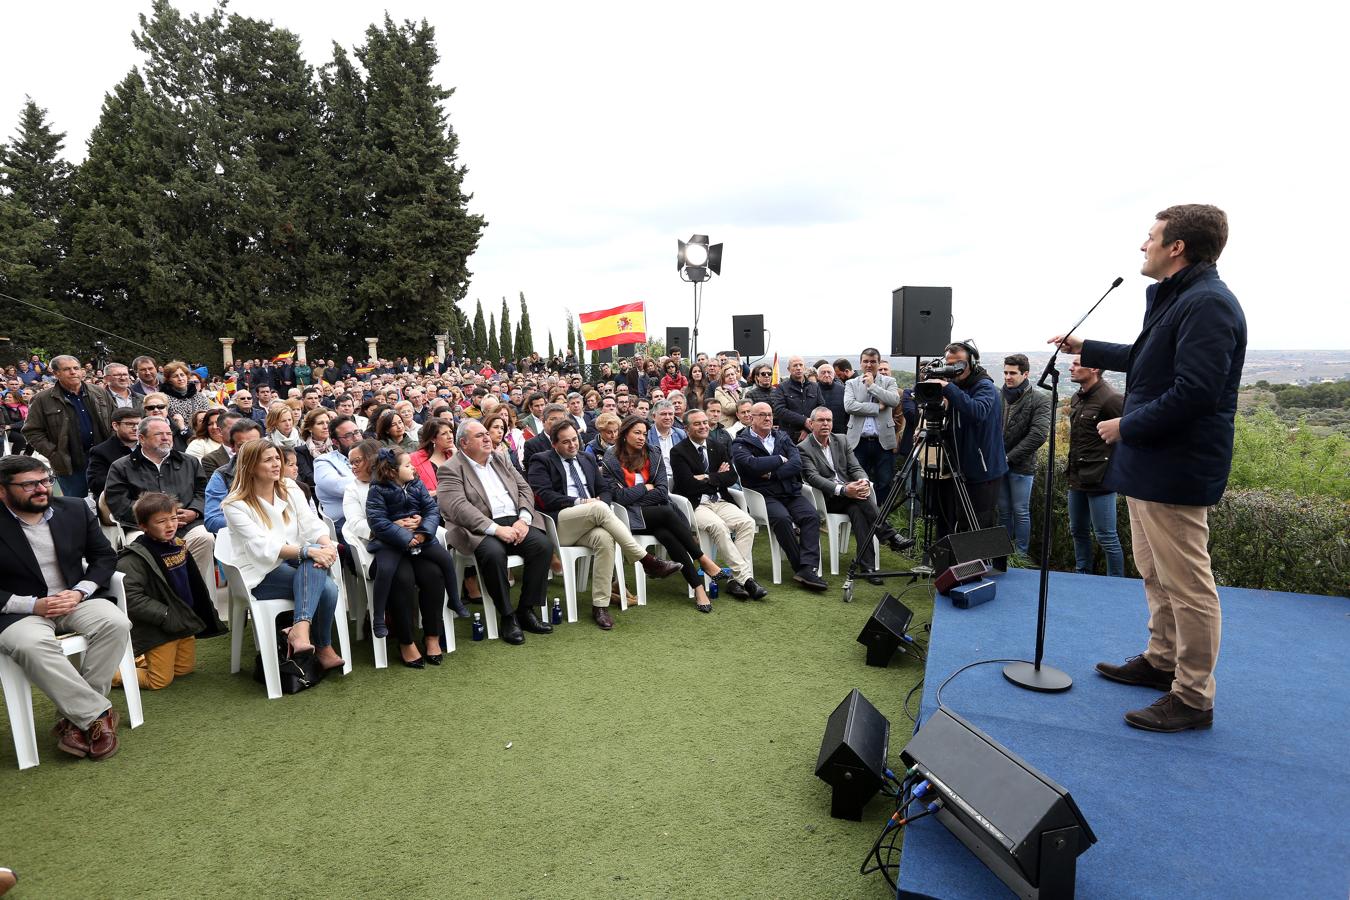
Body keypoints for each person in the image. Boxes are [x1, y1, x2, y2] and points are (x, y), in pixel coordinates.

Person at [1052, 204, 1245, 733]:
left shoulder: (1209, 304)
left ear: (1176, 246)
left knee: (1188, 585)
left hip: (1175, 467)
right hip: (1150, 466)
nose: (1144, 245)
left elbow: (1196, 393)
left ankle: (1193, 696)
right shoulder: (1177, 297)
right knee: (1155, 574)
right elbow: (1149, 359)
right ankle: (1163, 662)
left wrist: (1126, 427)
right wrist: (1087, 346)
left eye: (1151, 236)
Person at [0, 455, 129, 761]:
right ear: (2, 490)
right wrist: (33, 604)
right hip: (19, 610)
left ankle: (75, 720)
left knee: (116, 624)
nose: (41, 489)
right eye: (29, 484)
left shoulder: (73, 508)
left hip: (74, 598)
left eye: (45, 481)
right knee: (31, 645)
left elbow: (104, 558)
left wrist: (80, 591)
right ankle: (97, 715)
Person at [527, 420, 683, 629]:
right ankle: (647, 561)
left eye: (575, 439)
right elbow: (543, 495)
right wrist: (582, 502)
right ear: (554, 444)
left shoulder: (587, 458)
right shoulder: (541, 460)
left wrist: (601, 505)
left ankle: (600, 606)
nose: (573, 445)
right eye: (566, 442)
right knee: (599, 509)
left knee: (606, 539)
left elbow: (605, 490)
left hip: (591, 519)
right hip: (562, 523)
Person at [222, 440, 344, 670]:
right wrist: (308, 551)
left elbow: (311, 524)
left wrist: (326, 546)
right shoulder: (234, 504)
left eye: (277, 458)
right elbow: (262, 547)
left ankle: (300, 631)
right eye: (268, 460)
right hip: (257, 571)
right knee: (327, 587)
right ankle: (322, 646)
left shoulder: (288, 486)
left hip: (292, 561)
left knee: (314, 563)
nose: (276, 464)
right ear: (250, 466)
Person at [436, 420, 554, 645]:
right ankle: (507, 616)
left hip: (515, 521)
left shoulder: (500, 459)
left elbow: (524, 489)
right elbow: (458, 507)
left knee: (543, 546)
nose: (487, 437)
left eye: (486, 434)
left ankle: (526, 610)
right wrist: (496, 529)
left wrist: (524, 519)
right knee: (492, 554)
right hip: (479, 528)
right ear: (464, 443)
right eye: (479, 436)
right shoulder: (450, 468)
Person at [599, 416, 729, 613]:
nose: (642, 438)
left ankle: (698, 588)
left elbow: (661, 491)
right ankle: (703, 559)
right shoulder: (611, 458)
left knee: (667, 534)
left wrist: (636, 494)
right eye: (637, 433)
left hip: (656, 512)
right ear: (625, 435)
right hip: (628, 517)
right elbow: (619, 497)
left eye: (644, 433)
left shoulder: (653, 452)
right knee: (666, 512)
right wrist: (645, 488)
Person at [103, 417, 219, 614]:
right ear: (142, 438)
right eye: (159, 434)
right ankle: (164, 598)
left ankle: (190, 594)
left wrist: (194, 511)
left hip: (187, 524)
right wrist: (153, 519)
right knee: (141, 547)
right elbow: (118, 502)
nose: (166, 438)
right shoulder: (121, 466)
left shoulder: (189, 461)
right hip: (143, 528)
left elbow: (203, 492)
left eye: (168, 434)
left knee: (204, 537)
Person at [365, 448, 468, 664]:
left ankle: (433, 636)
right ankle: (406, 641)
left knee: (434, 574)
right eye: (407, 465)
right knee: (401, 579)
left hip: (419, 542)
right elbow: (376, 521)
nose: (413, 468)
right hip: (392, 545)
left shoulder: (415, 484)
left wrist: (422, 530)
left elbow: (432, 511)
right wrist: (402, 533)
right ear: (392, 471)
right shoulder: (376, 490)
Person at [114, 492, 225, 689]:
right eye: (161, 521)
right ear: (143, 526)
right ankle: (109, 674)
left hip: (181, 622)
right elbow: (131, 597)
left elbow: (194, 583)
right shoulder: (133, 559)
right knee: (159, 680)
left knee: (183, 669)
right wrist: (166, 615)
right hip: (159, 626)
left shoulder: (179, 545)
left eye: (173, 518)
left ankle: (142, 659)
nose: (170, 525)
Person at [799, 407, 910, 583]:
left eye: (829, 420)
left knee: (859, 509)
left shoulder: (841, 440)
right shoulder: (803, 448)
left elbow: (855, 467)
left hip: (849, 496)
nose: (826, 424)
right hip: (826, 499)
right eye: (821, 420)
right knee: (862, 500)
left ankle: (867, 568)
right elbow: (813, 478)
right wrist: (844, 490)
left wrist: (864, 482)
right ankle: (889, 536)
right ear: (811, 424)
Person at [670, 410, 766, 600]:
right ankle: (746, 579)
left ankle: (734, 581)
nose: (704, 426)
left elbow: (731, 477)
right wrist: (716, 477)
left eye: (705, 422)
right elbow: (687, 484)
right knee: (718, 526)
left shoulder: (717, 446)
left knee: (747, 522)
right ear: (687, 428)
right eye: (697, 424)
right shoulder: (678, 452)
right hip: (696, 505)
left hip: (720, 500)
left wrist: (706, 477)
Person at [731, 402, 827, 591]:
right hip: (763, 495)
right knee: (782, 519)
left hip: (790, 491)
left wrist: (772, 473)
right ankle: (802, 567)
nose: (768, 418)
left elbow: (796, 463)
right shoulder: (740, 442)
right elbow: (750, 465)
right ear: (751, 418)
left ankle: (807, 567)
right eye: (762, 415)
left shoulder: (781, 436)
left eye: (770, 415)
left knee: (811, 516)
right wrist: (779, 460)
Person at [925, 340, 1006, 540]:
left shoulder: (985, 386)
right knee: (958, 519)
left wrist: (948, 389)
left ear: (972, 363)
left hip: (983, 469)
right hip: (960, 467)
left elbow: (977, 412)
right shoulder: (957, 386)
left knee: (976, 522)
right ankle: (955, 563)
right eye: (950, 363)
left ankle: (979, 566)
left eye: (959, 364)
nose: (954, 369)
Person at [22, 355, 115, 498]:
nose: (73, 372)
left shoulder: (99, 392)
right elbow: (32, 431)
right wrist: (54, 453)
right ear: (55, 373)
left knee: (109, 502)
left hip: (104, 460)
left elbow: (115, 421)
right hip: (70, 465)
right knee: (76, 506)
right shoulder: (42, 399)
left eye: (76, 368)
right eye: (67, 369)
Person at [1066, 356, 1125, 577]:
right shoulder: (1077, 397)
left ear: (1094, 368)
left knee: (1106, 537)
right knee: (1077, 531)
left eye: (1076, 364)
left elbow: (1128, 434)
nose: (1070, 368)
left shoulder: (1111, 398)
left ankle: (1116, 584)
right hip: (1077, 477)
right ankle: (1082, 575)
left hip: (1101, 479)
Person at [999, 353, 1051, 558]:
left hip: (1021, 466)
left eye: (1012, 373)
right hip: (999, 464)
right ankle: (1002, 554)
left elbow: (1038, 435)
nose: (1007, 377)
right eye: (1005, 372)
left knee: (1020, 511)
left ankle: (1020, 556)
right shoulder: (999, 395)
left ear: (1025, 374)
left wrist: (1009, 457)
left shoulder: (1039, 399)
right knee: (1003, 511)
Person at [843, 348, 901, 510]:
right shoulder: (851, 383)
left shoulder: (889, 381)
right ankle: (862, 513)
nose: (869, 365)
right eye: (866, 361)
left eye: (873, 361)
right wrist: (877, 407)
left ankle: (881, 515)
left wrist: (872, 386)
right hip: (858, 441)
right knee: (859, 479)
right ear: (860, 363)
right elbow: (849, 406)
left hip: (883, 441)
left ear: (878, 363)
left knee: (884, 480)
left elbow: (894, 400)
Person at [203, 419, 265, 535]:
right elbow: (212, 520)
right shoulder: (222, 475)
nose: (249, 450)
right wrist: (250, 523)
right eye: (242, 445)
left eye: (254, 444)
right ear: (232, 447)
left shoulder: (276, 468)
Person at [86, 407, 141, 501]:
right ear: (115, 426)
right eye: (130, 424)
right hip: (119, 499)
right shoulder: (101, 451)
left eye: (139, 424)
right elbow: (96, 484)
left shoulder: (149, 446)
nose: (136, 428)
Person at [770, 355, 822, 443]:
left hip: (811, 435)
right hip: (789, 437)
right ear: (788, 369)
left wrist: (807, 428)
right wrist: (804, 421)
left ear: (804, 367)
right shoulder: (781, 388)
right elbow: (779, 410)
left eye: (801, 365)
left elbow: (821, 408)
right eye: (795, 365)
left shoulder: (815, 387)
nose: (798, 368)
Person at [409, 418, 455, 492]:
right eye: (444, 434)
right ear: (433, 439)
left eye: (450, 432)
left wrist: (456, 457)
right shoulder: (414, 458)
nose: (450, 436)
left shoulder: (455, 455)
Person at [815, 363, 848, 434]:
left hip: (840, 433)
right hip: (818, 433)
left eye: (829, 372)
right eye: (823, 373)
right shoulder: (811, 390)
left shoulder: (843, 390)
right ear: (817, 376)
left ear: (834, 375)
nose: (826, 375)